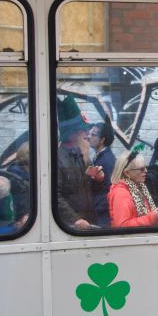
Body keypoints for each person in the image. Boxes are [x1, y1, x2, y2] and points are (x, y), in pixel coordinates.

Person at [56, 94, 99, 230]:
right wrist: (75, 219)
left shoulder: (79, 154)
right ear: (73, 133)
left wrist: (96, 177)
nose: (87, 134)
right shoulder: (58, 159)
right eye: (83, 130)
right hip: (70, 227)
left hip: (87, 221)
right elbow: (55, 196)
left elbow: (83, 183)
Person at [109, 150, 158, 227]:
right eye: (141, 169)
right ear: (127, 173)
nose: (146, 171)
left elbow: (145, 216)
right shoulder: (120, 193)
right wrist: (152, 217)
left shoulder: (140, 187)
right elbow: (121, 225)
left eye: (145, 168)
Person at [88, 120, 116, 227]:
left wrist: (97, 208)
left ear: (102, 140)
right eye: (89, 133)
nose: (89, 137)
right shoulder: (100, 157)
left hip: (103, 215)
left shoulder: (106, 161)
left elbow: (109, 189)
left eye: (93, 134)